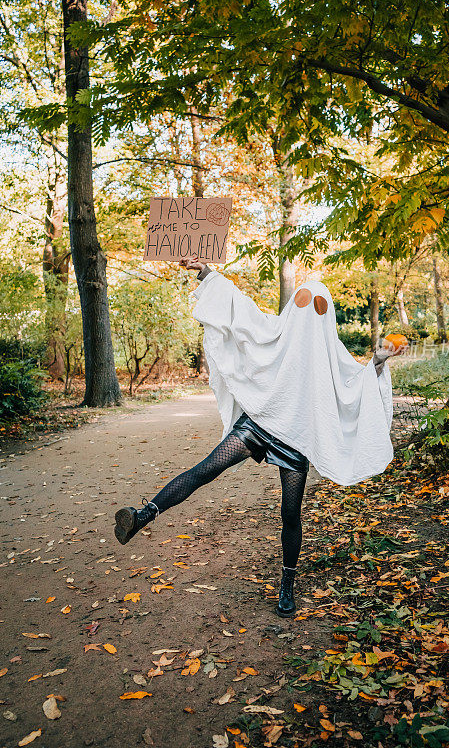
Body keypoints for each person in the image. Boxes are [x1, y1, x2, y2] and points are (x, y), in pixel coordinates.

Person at [114, 256, 404, 617]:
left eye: (318, 306)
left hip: (296, 439)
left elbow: (355, 385)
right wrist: (205, 271)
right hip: (260, 423)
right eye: (302, 302)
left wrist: (377, 362)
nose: (309, 312)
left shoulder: (333, 355)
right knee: (207, 469)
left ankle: (287, 585)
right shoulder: (274, 331)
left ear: (327, 315)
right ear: (291, 306)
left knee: (290, 512)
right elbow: (239, 310)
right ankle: (143, 515)